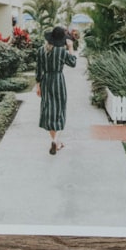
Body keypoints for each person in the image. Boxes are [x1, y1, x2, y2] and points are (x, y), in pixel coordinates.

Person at [35, 25, 77, 155]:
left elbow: (38, 70)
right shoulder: (61, 51)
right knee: (59, 110)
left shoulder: (41, 50)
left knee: (49, 110)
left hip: (46, 81)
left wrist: (38, 86)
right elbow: (73, 63)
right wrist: (70, 48)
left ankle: (55, 141)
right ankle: (56, 140)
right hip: (58, 81)